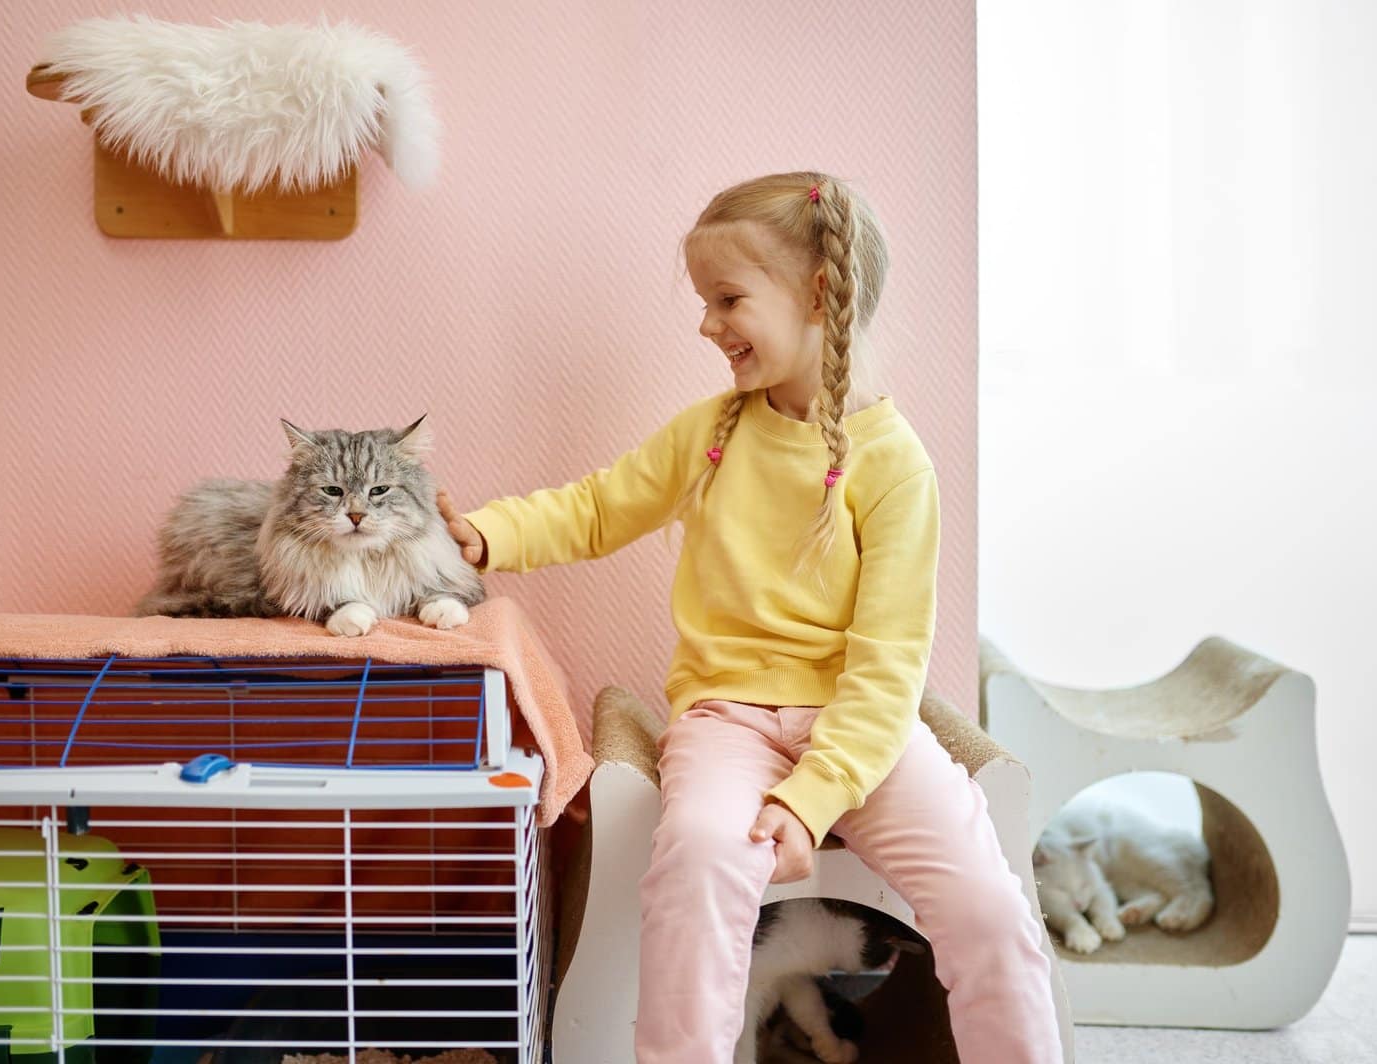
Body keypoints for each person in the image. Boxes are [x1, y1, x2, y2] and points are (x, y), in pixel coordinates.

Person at [437, 171, 1061, 1063]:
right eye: (704, 301)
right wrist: (488, 535)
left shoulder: (895, 466)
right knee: (695, 858)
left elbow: (886, 675)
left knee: (991, 909)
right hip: (726, 719)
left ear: (818, 295)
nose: (705, 324)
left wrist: (809, 804)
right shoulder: (712, 433)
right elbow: (597, 506)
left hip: (862, 731)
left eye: (727, 298)